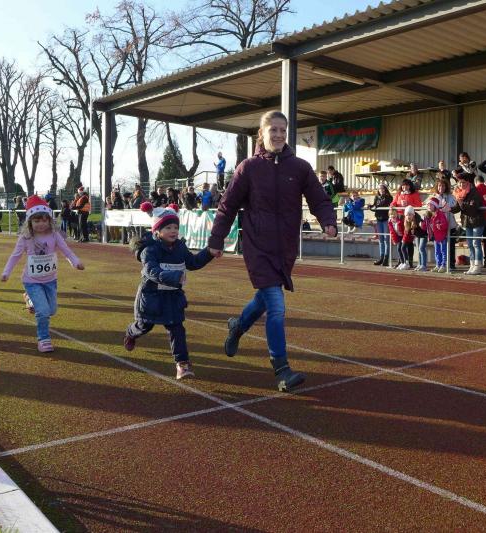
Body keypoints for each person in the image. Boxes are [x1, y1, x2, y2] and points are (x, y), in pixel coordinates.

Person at [208, 110, 337, 392]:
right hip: (257, 246)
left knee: (265, 298)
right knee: (276, 306)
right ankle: (281, 369)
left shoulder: (300, 167)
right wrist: (216, 239)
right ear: (262, 134)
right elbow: (228, 206)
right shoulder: (248, 168)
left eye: (282, 130)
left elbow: (319, 198)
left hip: (286, 247)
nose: (278, 135)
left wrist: (328, 221)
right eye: (273, 130)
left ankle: (238, 325)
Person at [123, 205, 214, 379]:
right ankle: (130, 333)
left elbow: (193, 262)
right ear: (157, 231)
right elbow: (152, 271)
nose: (173, 231)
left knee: (177, 328)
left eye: (175, 227)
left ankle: (182, 364)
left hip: (173, 297)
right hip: (152, 297)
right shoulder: (149, 250)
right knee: (144, 326)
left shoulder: (180, 247)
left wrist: (209, 252)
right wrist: (174, 276)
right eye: (168, 227)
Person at [0, 195, 85, 352]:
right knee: (44, 311)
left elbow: (66, 251)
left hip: (50, 280)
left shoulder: (54, 235)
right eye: (37, 221)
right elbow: (15, 256)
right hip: (31, 281)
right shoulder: (25, 238)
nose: (41, 224)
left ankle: (29, 299)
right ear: (30, 222)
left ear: (50, 220)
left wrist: (76, 262)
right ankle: (43, 339)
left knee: (52, 310)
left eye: (44, 220)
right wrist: (6, 272)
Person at [451, 175, 486, 275]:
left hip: (477, 221)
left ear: (468, 183)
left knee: (476, 243)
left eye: (463, 182)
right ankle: (472, 264)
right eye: (459, 182)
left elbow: (473, 208)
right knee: (470, 244)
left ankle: (478, 265)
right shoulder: (459, 193)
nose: (461, 184)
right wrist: (448, 208)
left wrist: (461, 204)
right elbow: (458, 207)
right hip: (467, 222)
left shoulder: (474, 192)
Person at [430, 178, 458, 272]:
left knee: (451, 245)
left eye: (443, 186)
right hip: (439, 226)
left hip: (450, 224)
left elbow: (453, 205)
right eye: (439, 186)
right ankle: (439, 264)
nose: (441, 187)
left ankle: (451, 264)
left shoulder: (450, 196)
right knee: (440, 246)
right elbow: (430, 207)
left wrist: (444, 204)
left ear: (446, 187)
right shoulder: (434, 196)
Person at [369, 183, 392, 266]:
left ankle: (386, 258)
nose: (381, 190)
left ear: (385, 189)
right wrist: (370, 206)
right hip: (379, 219)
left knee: (386, 239)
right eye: (379, 188)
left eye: (382, 188)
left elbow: (384, 205)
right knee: (381, 239)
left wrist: (376, 207)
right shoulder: (377, 197)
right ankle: (381, 257)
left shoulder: (389, 197)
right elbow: (374, 207)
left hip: (385, 219)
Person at [427, 198, 449, 272]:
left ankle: (444, 265)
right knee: (437, 252)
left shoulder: (440, 214)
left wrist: (440, 226)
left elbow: (445, 224)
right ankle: (438, 265)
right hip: (436, 237)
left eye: (431, 205)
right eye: (428, 205)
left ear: (435, 206)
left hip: (442, 237)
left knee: (443, 251)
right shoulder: (431, 215)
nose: (429, 206)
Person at [399, 205, 418, 270]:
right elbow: (405, 233)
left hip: (409, 239)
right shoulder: (406, 223)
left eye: (410, 215)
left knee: (405, 248)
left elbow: (412, 234)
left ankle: (407, 263)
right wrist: (403, 239)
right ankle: (407, 263)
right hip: (406, 239)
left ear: (413, 215)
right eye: (407, 215)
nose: (408, 216)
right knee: (405, 249)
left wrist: (404, 239)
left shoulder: (413, 223)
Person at [415, 206, 430, 271]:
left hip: (424, 235)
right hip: (417, 234)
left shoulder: (426, 215)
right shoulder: (415, 216)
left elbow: (425, 227)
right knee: (419, 249)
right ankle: (420, 264)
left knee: (421, 248)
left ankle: (424, 265)